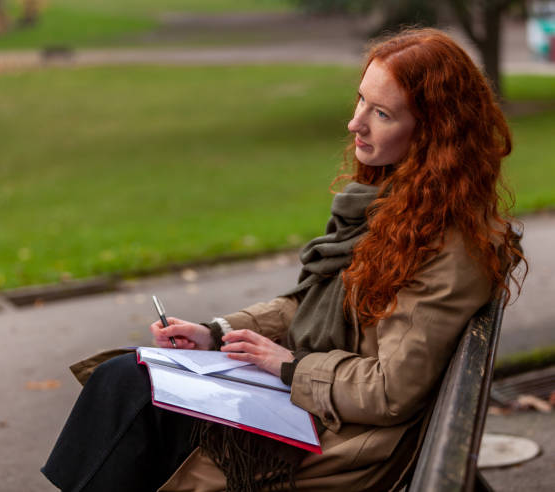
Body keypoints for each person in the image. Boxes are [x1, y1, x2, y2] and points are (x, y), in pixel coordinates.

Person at [42, 27, 525, 492]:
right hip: (315, 411)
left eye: (381, 113)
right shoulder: (393, 206)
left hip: (340, 442)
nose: (355, 122)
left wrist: (290, 366)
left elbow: (389, 391)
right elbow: (314, 305)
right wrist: (217, 333)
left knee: (129, 389)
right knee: (134, 378)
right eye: (361, 100)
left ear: (433, 135)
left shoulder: (446, 246)